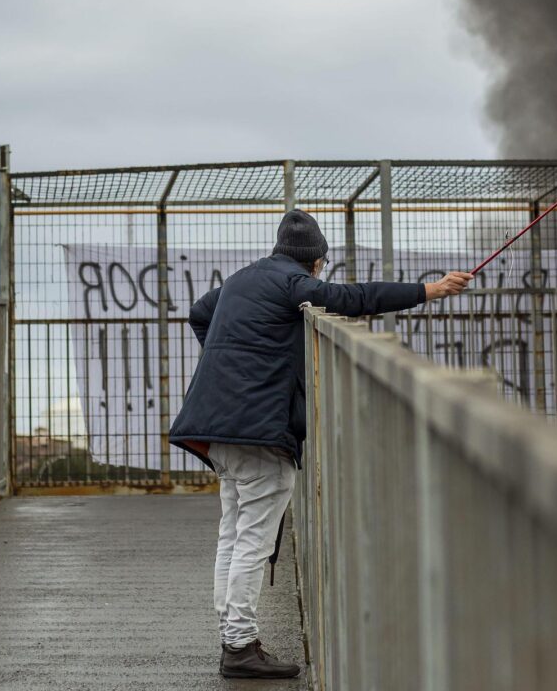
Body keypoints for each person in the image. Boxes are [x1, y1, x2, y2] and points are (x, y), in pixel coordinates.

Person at [169, 209, 472, 679]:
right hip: (257, 432)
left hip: (217, 428)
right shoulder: (294, 284)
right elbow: (351, 298)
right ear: (315, 262)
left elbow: (198, 313)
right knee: (252, 538)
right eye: (322, 267)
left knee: (233, 532)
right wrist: (429, 290)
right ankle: (240, 647)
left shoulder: (242, 279)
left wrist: (232, 360)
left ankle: (233, 635)